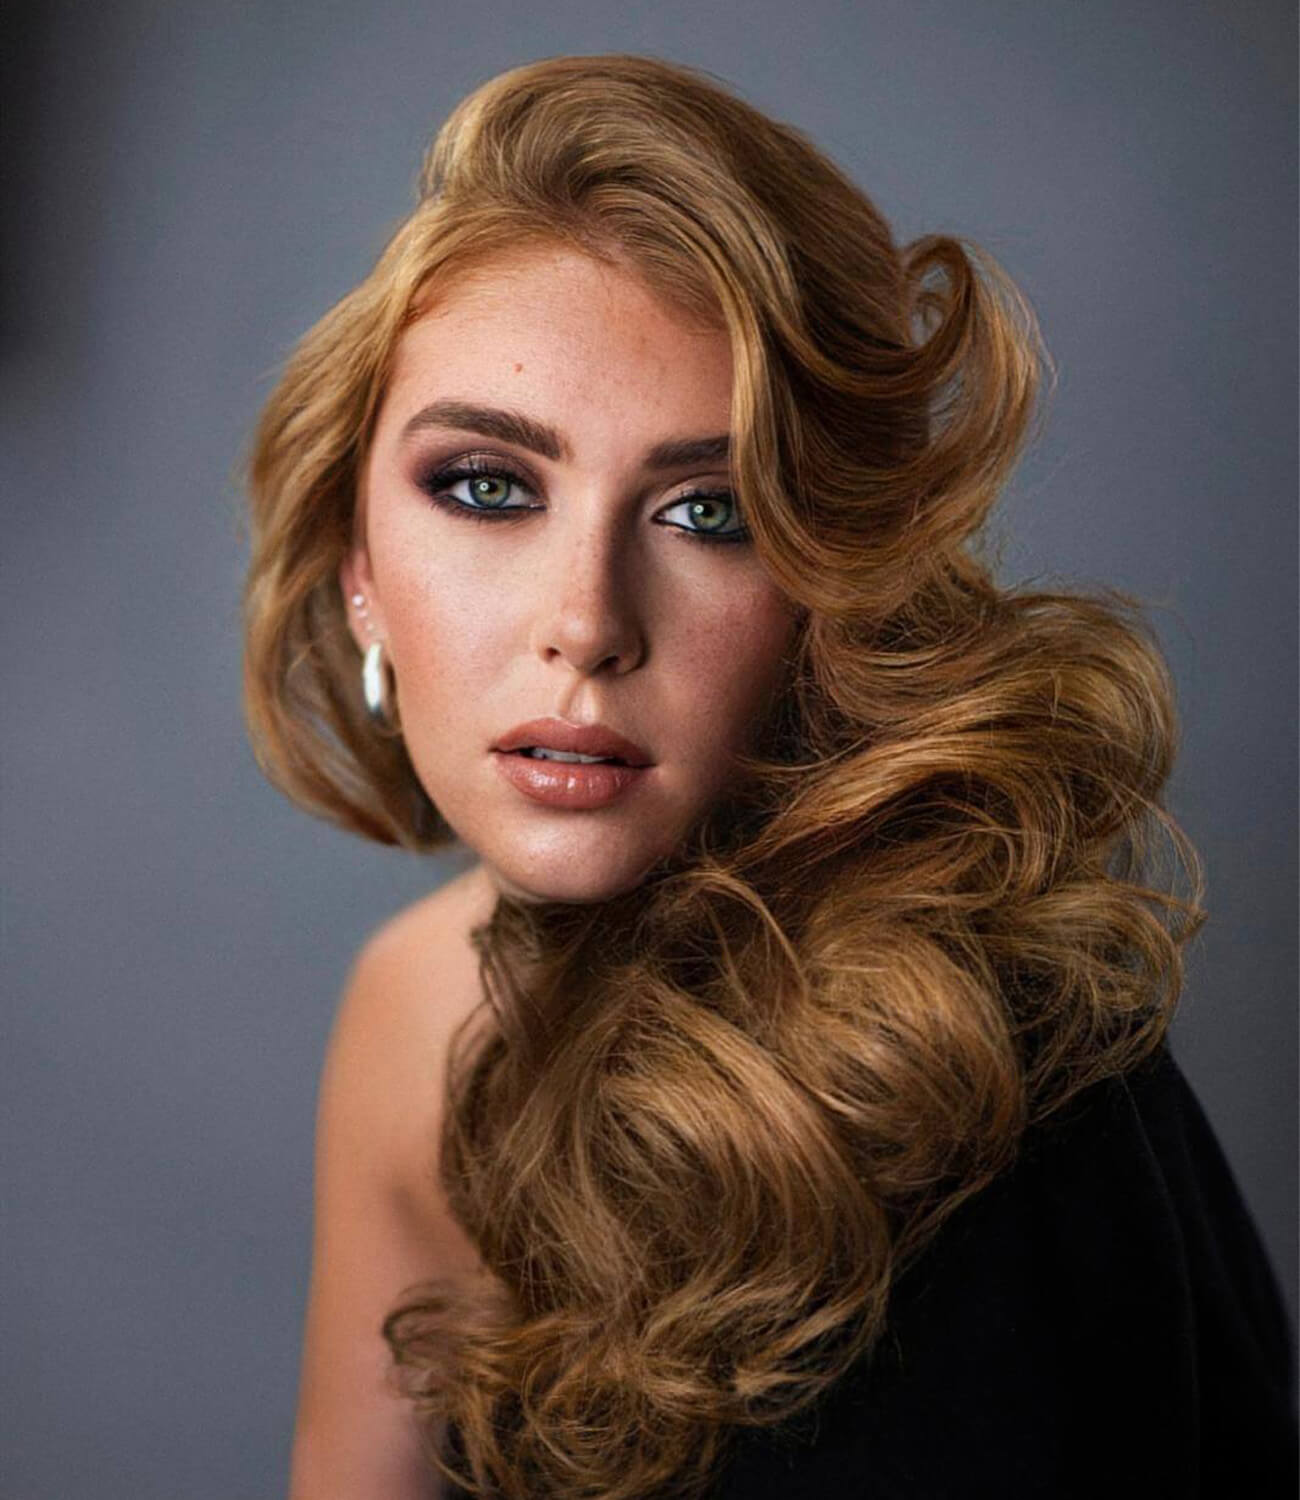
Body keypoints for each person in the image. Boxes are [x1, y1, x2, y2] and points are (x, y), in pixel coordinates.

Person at [241, 53, 1296, 1500]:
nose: (589, 624)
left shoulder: (981, 1074)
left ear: (831, 594)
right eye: (489, 486)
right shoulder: (420, 1004)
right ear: (361, 570)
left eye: (708, 513)